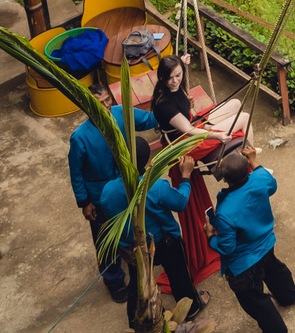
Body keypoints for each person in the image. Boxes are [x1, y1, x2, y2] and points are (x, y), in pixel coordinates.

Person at [67, 78, 154, 301]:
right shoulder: (80, 137)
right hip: (98, 196)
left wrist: (177, 107)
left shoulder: (121, 113)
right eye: (100, 103)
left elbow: (149, 120)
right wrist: (84, 202)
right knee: (105, 240)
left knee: (131, 227)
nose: (106, 106)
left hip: (126, 186)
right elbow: (76, 173)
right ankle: (113, 279)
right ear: (87, 106)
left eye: (107, 100)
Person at [210, 147, 295, 333]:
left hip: (244, 264)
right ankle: (290, 296)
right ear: (248, 169)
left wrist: (209, 237)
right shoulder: (259, 178)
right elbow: (271, 184)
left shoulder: (224, 212)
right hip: (266, 244)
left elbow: (227, 247)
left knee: (253, 299)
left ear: (224, 179)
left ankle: (275, 332)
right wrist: (254, 160)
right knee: (274, 270)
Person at [100, 163, 203, 320]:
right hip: (166, 242)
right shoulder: (156, 185)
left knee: (138, 285)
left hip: (133, 247)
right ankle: (191, 309)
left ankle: (137, 326)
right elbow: (180, 203)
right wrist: (185, 177)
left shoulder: (108, 191)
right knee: (179, 276)